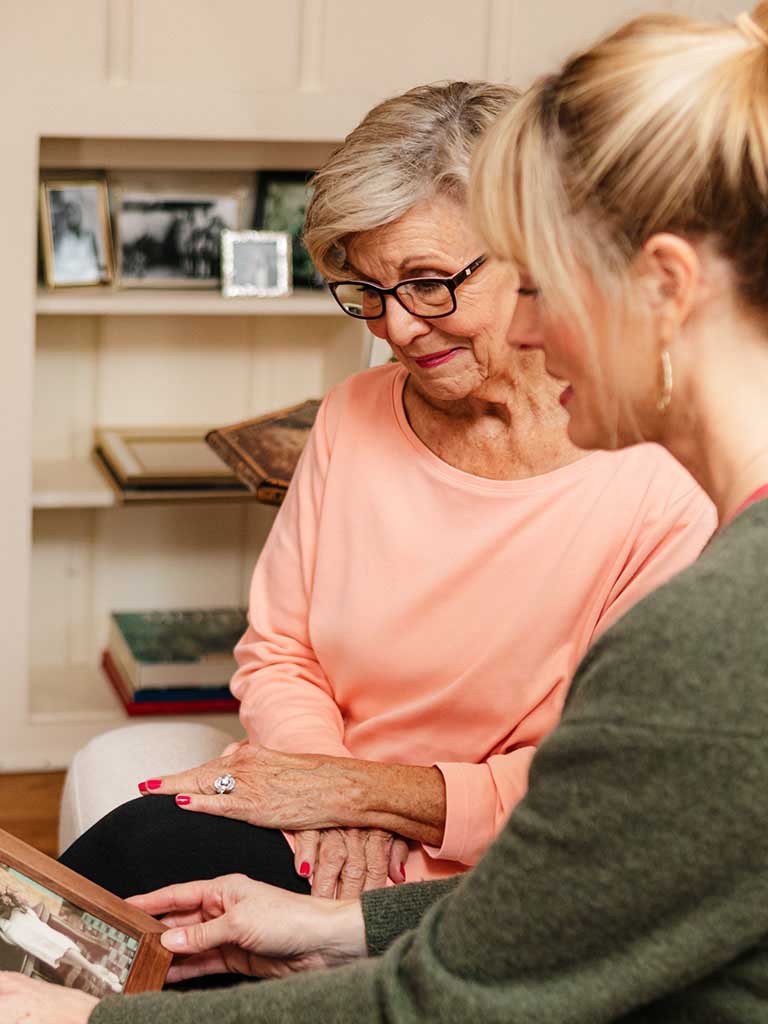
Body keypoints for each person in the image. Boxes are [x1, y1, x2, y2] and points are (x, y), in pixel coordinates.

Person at [7, 4, 768, 1020]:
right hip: (321, 811)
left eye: (542, 285)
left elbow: (498, 941)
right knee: (121, 875)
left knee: (124, 912)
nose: (397, 328)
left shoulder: (699, 572)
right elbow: (280, 653)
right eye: (364, 292)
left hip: (451, 841)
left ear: (662, 282)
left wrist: (87, 1016)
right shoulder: (361, 418)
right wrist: (330, 832)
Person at [0, 891, 120, 995]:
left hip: (41, 933)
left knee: (64, 949)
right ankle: (100, 972)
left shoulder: (17, 909)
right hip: (34, 945)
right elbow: (9, 942)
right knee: (65, 958)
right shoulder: (5, 928)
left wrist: (13, 900)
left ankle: (104, 977)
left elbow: (26, 906)